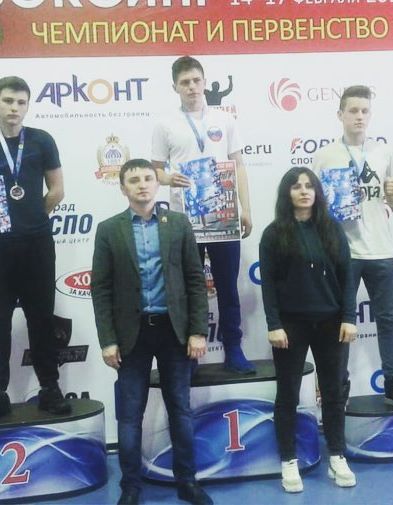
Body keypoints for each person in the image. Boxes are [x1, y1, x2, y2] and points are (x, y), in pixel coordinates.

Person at [91, 159, 212, 505]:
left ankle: (187, 482)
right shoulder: (108, 230)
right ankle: (130, 487)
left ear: (157, 184)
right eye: (134, 180)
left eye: (148, 178)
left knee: (181, 410)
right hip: (132, 336)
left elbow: (195, 279)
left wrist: (198, 331)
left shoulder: (178, 224)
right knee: (130, 416)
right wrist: (108, 340)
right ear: (123, 188)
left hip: (175, 333)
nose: (142, 184)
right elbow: (101, 289)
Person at [312, 85, 393, 410]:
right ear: (340, 115)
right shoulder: (326, 155)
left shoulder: (383, 152)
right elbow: (313, 202)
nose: (359, 117)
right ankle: (337, 390)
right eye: (353, 111)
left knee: (387, 320)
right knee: (340, 323)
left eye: (364, 111)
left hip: (381, 250)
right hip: (343, 252)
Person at [152, 56, 255, 374]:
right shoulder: (165, 125)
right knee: (188, 288)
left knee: (227, 286)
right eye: (185, 82)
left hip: (224, 215)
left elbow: (238, 165)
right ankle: (190, 353)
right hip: (185, 220)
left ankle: (234, 348)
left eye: (196, 80)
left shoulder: (225, 119)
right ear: (175, 87)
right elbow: (156, 171)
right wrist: (169, 178)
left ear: (205, 82)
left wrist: (246, 209)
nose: (192, 87)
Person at [259, 166, 357, 493]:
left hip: (331, 323)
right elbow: (268, 285)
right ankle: (288, 460)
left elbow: (347, 276)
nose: (304, 191)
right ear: (287, 193)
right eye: (296, 186)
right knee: (288, 393)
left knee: (333, 392)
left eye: (309, 186)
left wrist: (349, 317)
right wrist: (274, 324)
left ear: (317, 192)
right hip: (291, 326)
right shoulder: (274, 234)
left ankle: (337, 456)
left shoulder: (332, 229)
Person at [0, 76, 69, 416]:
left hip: (37, 245)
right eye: (7, 101)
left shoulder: (41, 140)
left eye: (20, 102)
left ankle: (50, 388)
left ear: (27, 106)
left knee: (41, 319)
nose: (14, 108)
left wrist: (32, 217)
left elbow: (57, 189)